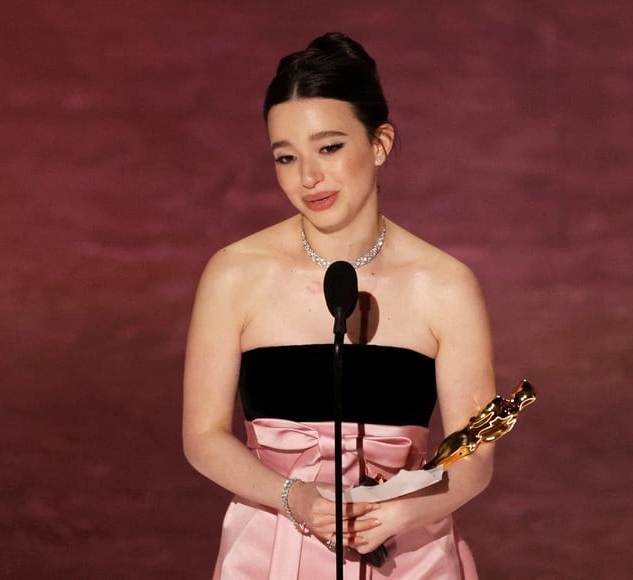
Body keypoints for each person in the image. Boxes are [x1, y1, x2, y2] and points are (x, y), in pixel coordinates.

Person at [183, 32, 496, 579]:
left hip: (408, 555)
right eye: (286, 157)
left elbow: (475, 457)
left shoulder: (445, 285)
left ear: (379, 144)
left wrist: (400, 514)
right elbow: (204, 436)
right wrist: (293, 498)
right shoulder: (235, 274)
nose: (309, 178)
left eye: (329, 148)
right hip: (271, 548)